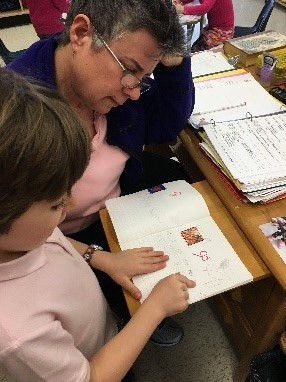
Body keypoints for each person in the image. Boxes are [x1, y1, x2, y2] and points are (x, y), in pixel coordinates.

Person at [7, 0, 195, 346]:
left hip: (113, 200)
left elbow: (166, 125)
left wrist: (174, 64)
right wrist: (99, 257)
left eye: (144, 77)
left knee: (176, 177)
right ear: (80, 33)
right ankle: (124, 307)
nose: (134, 90)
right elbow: (19, 234)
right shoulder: (18, 113)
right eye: (129, 69)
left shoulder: (112, 84)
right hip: (56, 237)